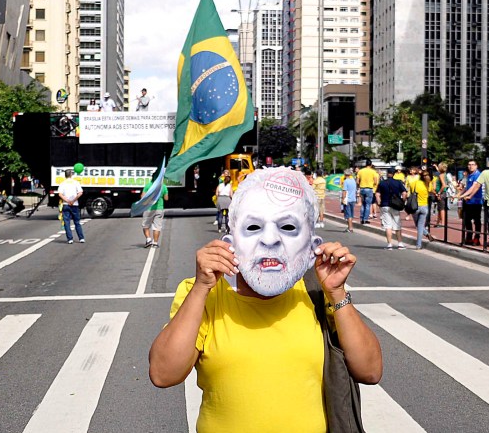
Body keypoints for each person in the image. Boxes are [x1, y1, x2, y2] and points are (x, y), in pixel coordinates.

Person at [148, 168, 382, 431]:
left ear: (310, 245)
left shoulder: (317, 292)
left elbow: (370, 371)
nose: (270, 240)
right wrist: (202, 287)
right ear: (230, 241)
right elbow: (163, 374)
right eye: (253, 227)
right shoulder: (205, 293)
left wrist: (337, 292)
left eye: (288, 227)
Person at [376, 167, 407, 249]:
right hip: (395, 205)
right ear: (394, 174)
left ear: (387, 173)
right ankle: (400, 243)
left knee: (388, 225)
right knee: (397, 225)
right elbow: (404, 193)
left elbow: (377, 194)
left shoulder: (382, 183)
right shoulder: (398, 183)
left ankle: (389, 244)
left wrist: (379, 203)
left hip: (385, 205)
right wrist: (402, 201)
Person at [55, 169, 84, 244]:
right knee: (77, 222)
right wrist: (73, 200)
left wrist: (67, 201)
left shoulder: (62, 183)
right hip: (75, 204)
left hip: (66, 204)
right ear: (71, 174)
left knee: (67, 223)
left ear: (65, 175)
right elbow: (80, 193)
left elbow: (60, 194)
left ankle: (70, 239)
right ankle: (81, 238)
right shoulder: (76, 182)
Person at [461, 160, 483, 246]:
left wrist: (467, 195)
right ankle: (469, 236)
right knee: (467, 220)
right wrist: (459, 195)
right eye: (469, 165)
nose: (470, 166)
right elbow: (466, 188)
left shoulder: (477, 175)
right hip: (468, 201)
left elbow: (474, 187)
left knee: (477, 220)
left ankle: (477, 237)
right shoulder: (469, 175)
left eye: (472, 165)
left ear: (476, 166)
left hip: (476, 201)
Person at [409, 168, 432, 248]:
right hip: (424, 206)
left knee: (418, 226)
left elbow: (411, 192)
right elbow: (431, 191)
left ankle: (425, 236)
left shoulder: (414, 183)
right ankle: (419, 244)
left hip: (415, 206)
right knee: (420, 225)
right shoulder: (428, 184)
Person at [141, 181, 169, 248]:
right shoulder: (163, 186)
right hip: (159, 208)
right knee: (157, 227)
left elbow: (142, 197)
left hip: (148, 208)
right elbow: (166, 198)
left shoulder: (148, 185)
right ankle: (155, 243)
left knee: (146, 225)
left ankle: (148, 240)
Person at [356, 160, 378, 224]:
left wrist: (359, 186)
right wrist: (372, 184)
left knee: (363, 204)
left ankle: (362, 218)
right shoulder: (373, 172)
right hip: (369, 188)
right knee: (368, 204)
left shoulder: (360, 171)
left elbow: (357, 181)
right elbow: (376, 182)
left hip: (362, 188)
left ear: (365, 164)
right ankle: (365, 219)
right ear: (371, 165)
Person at [341, 169, 357, 233]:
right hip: (353, 199)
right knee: (351, 214)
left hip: (347, 199)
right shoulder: (353, 181)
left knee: (348, 215)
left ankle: (350, 228)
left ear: (345, 174)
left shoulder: (346, 181)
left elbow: (344, 191)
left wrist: (343, 199)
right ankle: (349, 227)